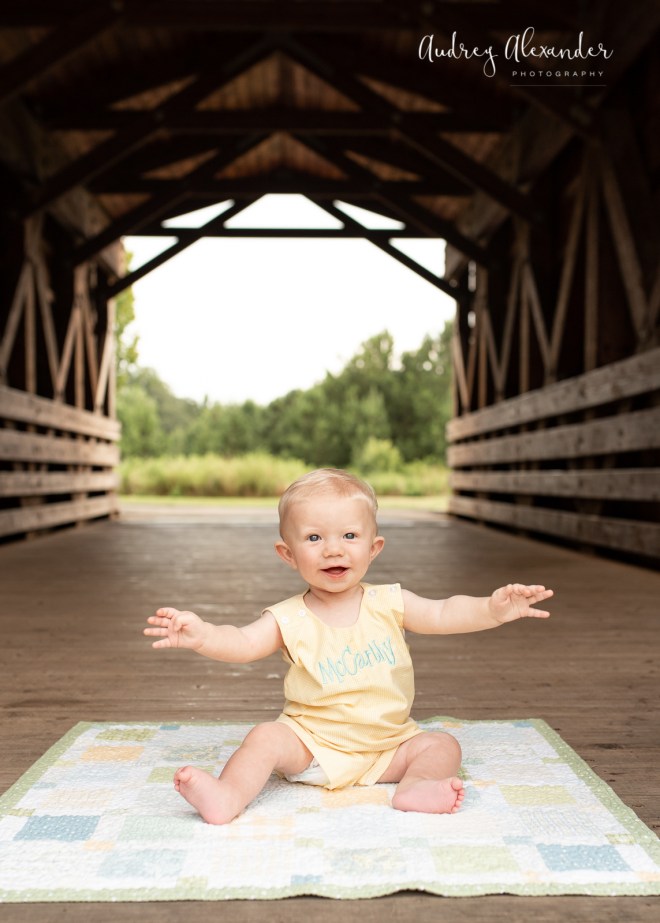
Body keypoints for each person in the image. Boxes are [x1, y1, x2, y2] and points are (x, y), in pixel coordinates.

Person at [145, 468, 553, 825]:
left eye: (350, 535)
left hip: (388, 745)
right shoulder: (289, 617)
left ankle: (415, 787)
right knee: (266, 737)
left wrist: (491, 609)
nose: (334, 549)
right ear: (288, 554)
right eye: (314, 537)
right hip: (312, 746)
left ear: (373, 548)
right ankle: (227, 795)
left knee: (442, 745)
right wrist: (204, 635)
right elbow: (243, 643)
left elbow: (444, 612)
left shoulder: (389, 602)